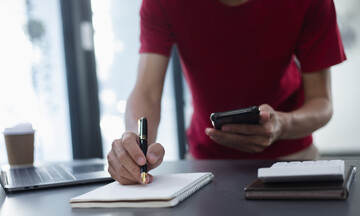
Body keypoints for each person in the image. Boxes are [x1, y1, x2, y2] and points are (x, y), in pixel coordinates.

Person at [107, 0, 346, 185]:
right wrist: (134, 146)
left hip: (293, 158)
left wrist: (282, 124)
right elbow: (146, 92)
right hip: (206, 164)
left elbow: (321, 102)